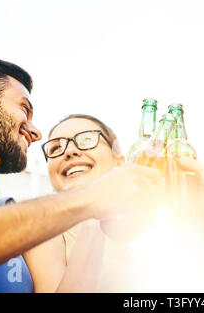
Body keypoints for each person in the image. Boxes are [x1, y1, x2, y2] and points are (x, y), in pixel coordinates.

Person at [0, 55, 162, 292]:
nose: (36, 133)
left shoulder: (2, 207)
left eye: (86, 140)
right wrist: (89, 199)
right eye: (24, 108)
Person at [24, 114, 142, 292]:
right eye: (56, 148)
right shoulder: (44, 232)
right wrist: (92, 209)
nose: (69, 151)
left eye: (87, 139)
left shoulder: (138, 241)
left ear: (120, 163)